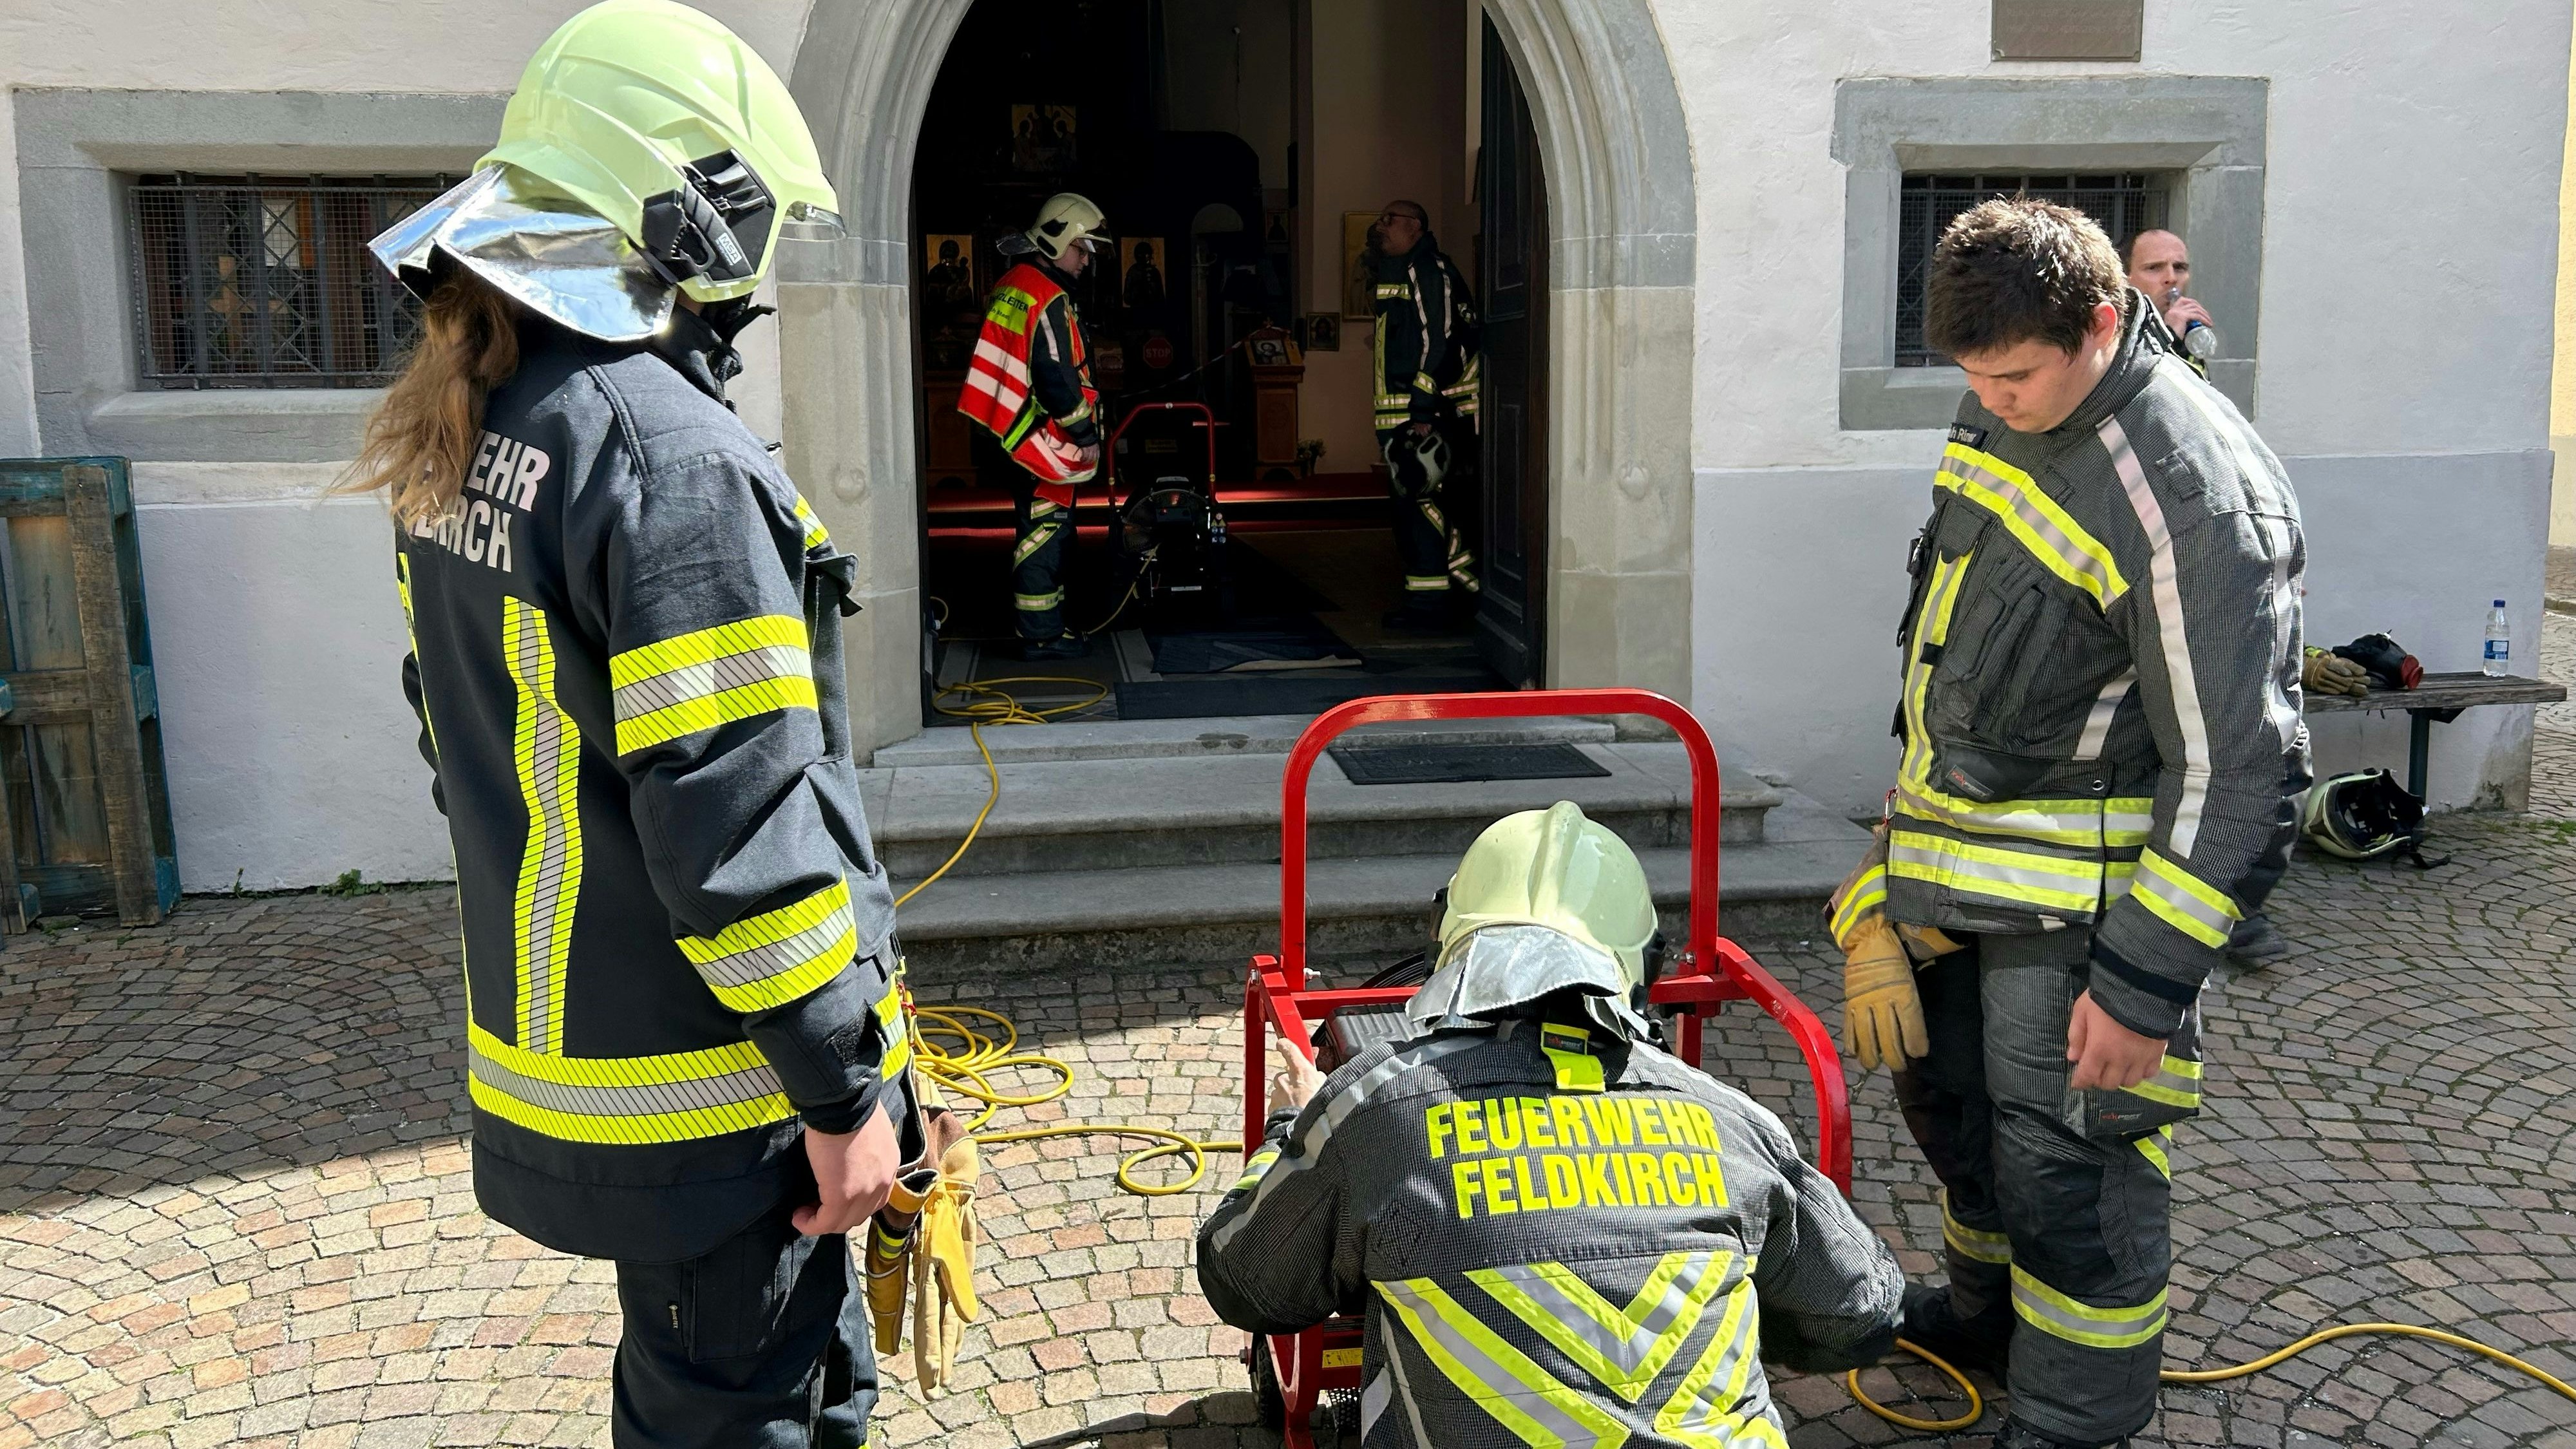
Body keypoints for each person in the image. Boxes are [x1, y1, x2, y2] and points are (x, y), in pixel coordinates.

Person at [344, 3, 920, 1443]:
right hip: (712, 1101)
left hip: (587, 1065)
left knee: (690, 1399)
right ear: (690, 213)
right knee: (757, 1416)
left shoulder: (482, 421)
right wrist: (848, 1086)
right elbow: (737, 812)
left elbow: (455, 738)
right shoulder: (666, 452)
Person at [1835, 198, 2308, 1449]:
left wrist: (2144, 985)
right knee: (1957, 1122)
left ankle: (2075, 1415)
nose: (1989, 400)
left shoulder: (2191, 490)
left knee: (2069, 1170)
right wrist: (1891, 872)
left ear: (2101, 322)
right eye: (1970, 377)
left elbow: (2242, 767)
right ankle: (1985, 1321)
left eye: (2013, 375)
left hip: (2079, 919)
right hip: (1955, 891)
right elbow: (1952, 645)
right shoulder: (2001, 397)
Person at [1200, 802, 1906, 1445]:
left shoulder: (1374, 1110)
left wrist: (1291, 1123)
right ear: (1643, 964)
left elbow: (1245, 1281)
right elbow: (1860, 1315)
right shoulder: (1730, 1121)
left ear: (1453, 943)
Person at [958, 193, 1108, 659]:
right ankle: (1041, 634)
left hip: (1007, 428)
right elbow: (1057, 376)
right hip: (1041, 439)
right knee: (1048, 532)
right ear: (1057, 237)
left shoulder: (1013, 283)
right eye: (1081, 248)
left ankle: (1048, 628)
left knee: (1039, 527)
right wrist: (1085, 436)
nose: (1086, 260)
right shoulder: (1049, 296)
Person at [1368, 199, 1482, 630]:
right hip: (1404, 415)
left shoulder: (1428, 269)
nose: (1380, 227)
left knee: (1426, 506)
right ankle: (1427, 603)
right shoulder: (1401, 269)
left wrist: (1422, 410)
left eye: (1389, 219)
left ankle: (1438, 606)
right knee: (1412, 511)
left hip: (1425, 416)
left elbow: (1440, 341)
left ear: (1415, 227)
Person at [2121, 229, 2213, 376]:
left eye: (2179, 268)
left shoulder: (2186, 329)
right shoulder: (2108, 331)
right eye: (2154, 268)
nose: (2171, 278)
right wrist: (2170, 336)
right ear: (2124, 278)